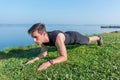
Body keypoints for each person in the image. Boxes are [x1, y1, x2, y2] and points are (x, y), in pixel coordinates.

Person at [26, 23, 102, 71]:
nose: (34, 40)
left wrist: (49, 63)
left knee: (88, 40)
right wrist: (34, 59)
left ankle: (99, 38)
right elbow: (43, 53)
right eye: (33, 37)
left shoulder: (57, 37)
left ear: (44, 34)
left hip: (75, 37)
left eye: (36, 37)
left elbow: (64, 57)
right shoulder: (42, 40)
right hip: (67, 34)